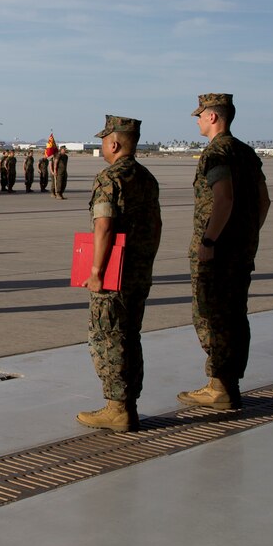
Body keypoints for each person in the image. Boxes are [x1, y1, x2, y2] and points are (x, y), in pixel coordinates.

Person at [178, 93, 270, 410]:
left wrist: (210, 241)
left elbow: (224, 198)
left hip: (216, 253)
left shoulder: (217, 153)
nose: (198, 120)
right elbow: (264, 201)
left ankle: (219, 385)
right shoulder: (246, 153)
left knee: (209, 315)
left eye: (200, 115)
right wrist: (246, 235)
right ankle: (228, 384)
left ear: (213, 117)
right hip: (241, 251)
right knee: (234, 315)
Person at [78, 116, 162, 432]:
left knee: (107, 336)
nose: (102, 146)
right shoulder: (146, 178)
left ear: (113, 143)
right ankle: (128, 405)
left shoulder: (110, 178)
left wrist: (97, 271)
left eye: (104, 140)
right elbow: (157, 226)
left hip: (114, 274)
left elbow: (104, 225)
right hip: (139, 271)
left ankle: (117, 409)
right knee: (130, 336)